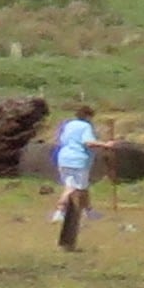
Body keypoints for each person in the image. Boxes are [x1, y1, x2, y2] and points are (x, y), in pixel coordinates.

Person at [49, 105, 97, 253]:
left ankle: (85, 211)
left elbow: (62, 140)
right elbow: (88, 142)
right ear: (88, 116)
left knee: (71, 187)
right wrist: (105, 145)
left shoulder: (68, 125)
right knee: (75, 189)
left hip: (64, 159)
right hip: (78, 161)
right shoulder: (85, 126)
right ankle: (61, 212)